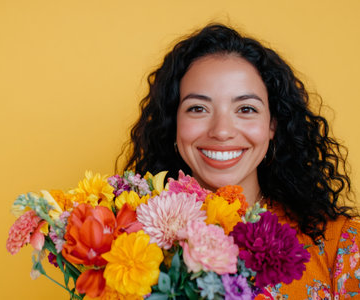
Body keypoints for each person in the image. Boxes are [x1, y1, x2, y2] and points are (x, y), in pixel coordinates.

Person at [120, 24, 360, 298]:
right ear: (173, 125)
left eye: (246, 109)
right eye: (198, 108)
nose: (222, 131)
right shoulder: (129, 248)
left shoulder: (342, 244)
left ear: (272, 126)